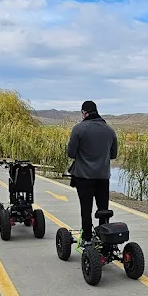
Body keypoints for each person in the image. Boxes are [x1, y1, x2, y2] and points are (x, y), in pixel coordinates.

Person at [66, 101, 118, 242]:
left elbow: (71, 153)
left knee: (86, 209)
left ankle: (87, 238)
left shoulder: (78, 129)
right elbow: (113, 155)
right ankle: (104, 238)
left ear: (84, 112)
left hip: (84, 177)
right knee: (103, 209)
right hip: (103, 176)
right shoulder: (109, 130)